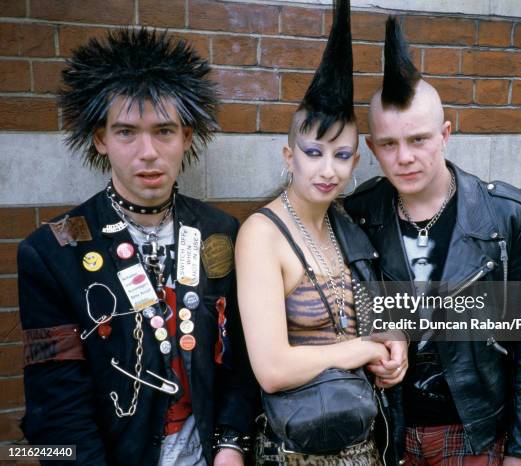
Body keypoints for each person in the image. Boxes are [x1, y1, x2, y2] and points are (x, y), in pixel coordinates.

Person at [18, 28, 256, 465]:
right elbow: (56, 407)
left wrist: (231, 443)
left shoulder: (220, 232)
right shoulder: (52, 252)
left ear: (187, 136)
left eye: (163, 131)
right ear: (101, 139)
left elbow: (239, 360)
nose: (148, 152)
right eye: (126, 132)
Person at [344, 17, 521, 466]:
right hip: (385, 430)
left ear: (445, 134)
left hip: (472, 431)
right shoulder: (360, 212)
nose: (405, 157)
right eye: (389, 144)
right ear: (373, 148)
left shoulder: (505, 214)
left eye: (418, 139)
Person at [235, 1, 407, 464]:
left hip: (365, 444)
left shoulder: (348, 224)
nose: (328, 169)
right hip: (296, 450)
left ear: (356, 160)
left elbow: (375, 323)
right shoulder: (261, 235)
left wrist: (393, 350)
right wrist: (358, 349)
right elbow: (271, 369)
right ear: (289, 156)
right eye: (314, 152)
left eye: (343, 155)